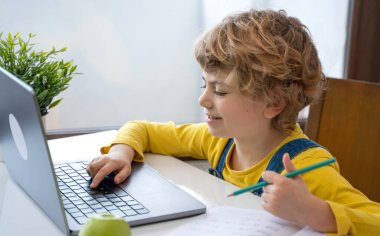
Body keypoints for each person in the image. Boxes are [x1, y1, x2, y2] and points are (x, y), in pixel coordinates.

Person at [87, 9, 380, 235]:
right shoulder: (220, 140)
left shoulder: (306, 167)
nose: (203, 100)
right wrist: (120, 153)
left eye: (221, 90)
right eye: (204, 85)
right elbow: (143, 129)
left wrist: (316, 212)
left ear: (273, 103)